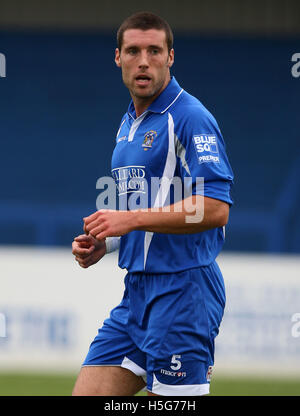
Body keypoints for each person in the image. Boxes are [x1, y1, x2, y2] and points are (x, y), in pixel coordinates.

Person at [71, 11, 234, 396]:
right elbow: (141, 210)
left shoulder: (191, 117)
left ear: (170, 57)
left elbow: (215, 207)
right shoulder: (129, 123)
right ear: (118, 58)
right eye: (133, 51)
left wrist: (128, 220)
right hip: (136, 296)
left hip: (184, 292)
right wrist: (106, 242)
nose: (144, 61)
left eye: (154, 51)